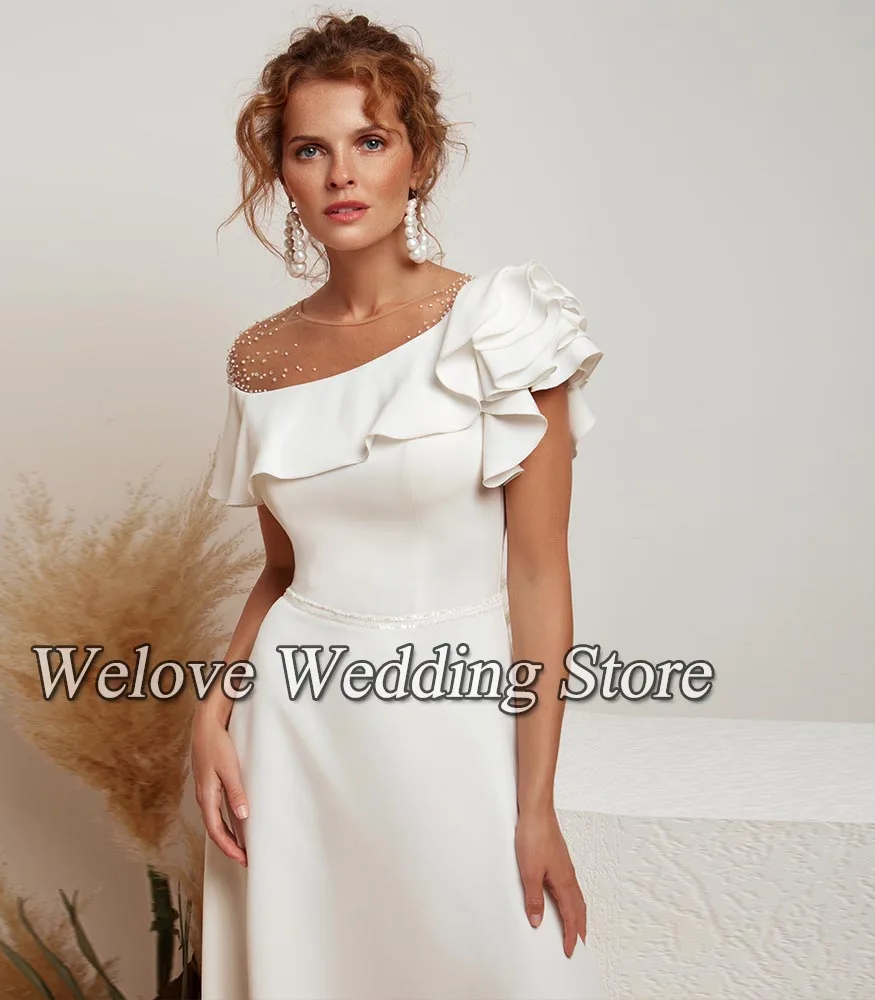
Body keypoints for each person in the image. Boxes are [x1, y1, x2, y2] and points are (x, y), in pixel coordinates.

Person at [192, 12, 607, 999]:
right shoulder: (259, 359)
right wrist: (212, 711)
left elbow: (539, 575)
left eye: (370, 141)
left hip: (456, 714)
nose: (341, 174)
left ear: (418, 159)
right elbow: (285, 569)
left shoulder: (504, 324)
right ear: (281, 175)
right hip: (293, 727)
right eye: (310, 150)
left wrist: (534, 808)